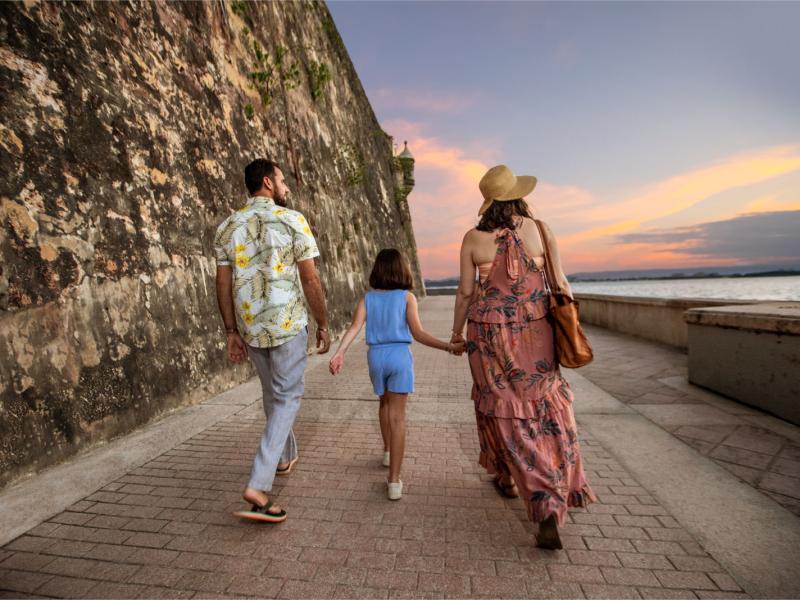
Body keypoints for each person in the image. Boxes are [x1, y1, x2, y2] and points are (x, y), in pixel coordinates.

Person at [450, 165, 595, 549]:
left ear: (488, 203)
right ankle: (545, 484)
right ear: (517, 196)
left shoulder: (473, 238)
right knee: (547, 406)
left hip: (488, 335)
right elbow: (561, 283)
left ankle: (530, 488)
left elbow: (465, 293)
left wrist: (455, 333)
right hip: (537, 330)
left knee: (503, 409)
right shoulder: (541, 230)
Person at [214, 158, 330, 523]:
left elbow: (222, 283)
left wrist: (231, 331)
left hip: (251, 326)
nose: (287, 188)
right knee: (289, 396)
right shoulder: (292, 220)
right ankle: (258, 484)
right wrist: (323, 322)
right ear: (267, 182)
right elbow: (310, 279)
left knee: (273, 395)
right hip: (287, 323)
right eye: (282, 181)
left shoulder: (228, 226)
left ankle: (283, 457)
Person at [329, 248, 465, 500]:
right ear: (401, 269)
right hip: (399, 357)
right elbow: (418, 333)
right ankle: (394, 481)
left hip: (376, 357)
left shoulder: (367, 299)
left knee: (383, 403)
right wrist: (448, 346)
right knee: (398, 418)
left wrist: (339, 353)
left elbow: (354, 328)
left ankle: (387, 451)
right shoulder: (406, 298)